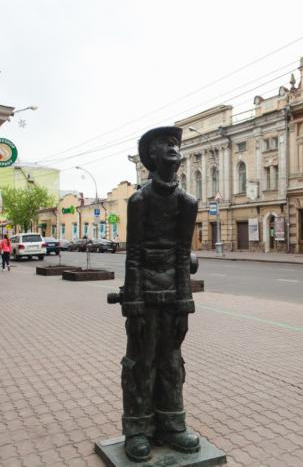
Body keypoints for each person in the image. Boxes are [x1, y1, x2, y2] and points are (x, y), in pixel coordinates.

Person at [121, 126, 199, 462]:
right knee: (141, 361)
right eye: (164, 143)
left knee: (171, 361)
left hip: (172, 294)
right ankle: (137, 429)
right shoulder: (139, 200)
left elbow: (183, 254)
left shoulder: (187, 202)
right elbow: (134, 254)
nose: (172, 146)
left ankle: (171, 424)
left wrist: (184, 304)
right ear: (151, 155)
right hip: (145, 292)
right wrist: (134, 303)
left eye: (175, 143)